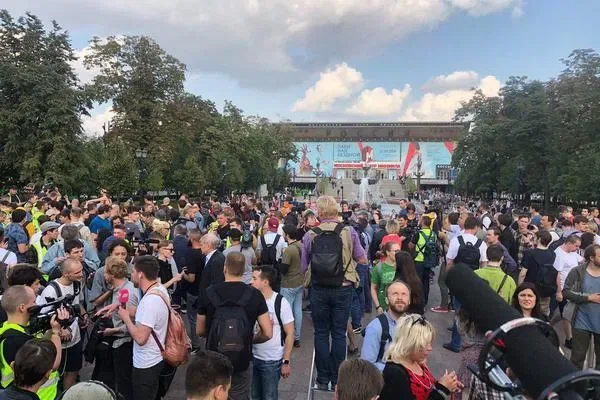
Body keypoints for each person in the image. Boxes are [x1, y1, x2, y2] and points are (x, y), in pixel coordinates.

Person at [300, 196, 368, 391]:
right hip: (343, 287)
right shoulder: (348, 232)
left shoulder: (310, 234)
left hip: (319, 288)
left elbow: (304, 266)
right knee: (339, 333)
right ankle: (337, 377)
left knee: (321, 332)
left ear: (320, 212)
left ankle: (322, 378)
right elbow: (362, 258)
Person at [196, 253, 272, 400]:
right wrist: (251, 339)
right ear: (243, 270)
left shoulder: (209, 293)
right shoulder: (254, 295)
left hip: (214, 360)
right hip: (241, 359)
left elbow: (200, 330)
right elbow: (268, 332)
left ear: (225, 268)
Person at [116, 255, 174, 400]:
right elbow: (146, 315)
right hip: (157, 358)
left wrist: (126, 319)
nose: (131, 275)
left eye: (133, 272)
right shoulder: (159, 289)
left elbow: (141, 338)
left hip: (146, 364)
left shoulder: (150, 301)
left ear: (140, 274)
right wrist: (119, 307)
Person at [0, 285, 65, 400]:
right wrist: (56, 333)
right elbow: (52, 364)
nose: (37, 304)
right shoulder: (18, 341)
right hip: (40, 396)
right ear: (22, 308)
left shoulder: (6, 328)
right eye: (34, 301)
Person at [379, 314, 462, 400]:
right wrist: (442, 390)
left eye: (430, 343)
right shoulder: (395, 374)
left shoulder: (417, 362)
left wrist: (447, 384)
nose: (430, 348)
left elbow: (427, 389)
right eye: (425, 344)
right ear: (410, 343)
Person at [36, 258, 87, 390]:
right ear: (65, 274)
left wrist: (84, 314)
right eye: (77, 272)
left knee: (73, 370)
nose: (81, 274)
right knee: (54, 373)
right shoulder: (51, 291)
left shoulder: (77, 284)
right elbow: (43, 318)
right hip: (57, 342)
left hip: (74, 339)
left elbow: (78, 303)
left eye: (81, 270)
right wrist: (60, 330)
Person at [96, 257, 140, 399]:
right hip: (120, 342)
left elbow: (135, 323)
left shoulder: (127, 292)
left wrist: (114, 330)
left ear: (112, 275)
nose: (104, 275)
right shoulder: (120, 289)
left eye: (105, 272)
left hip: (125, 344)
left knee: (124, 384)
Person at [250, 265, 294, 400]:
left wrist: (286, 361)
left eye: (254, 279)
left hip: (272, 360)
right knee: (253, 396)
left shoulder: (281, 302)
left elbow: (290, 333)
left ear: (265, 282)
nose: (251, 282)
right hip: (252, 357)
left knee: (269, 396)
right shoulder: (251, 300)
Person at [563, 244, 600, 369]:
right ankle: (576, 381)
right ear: (591, 258)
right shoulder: (577, 272)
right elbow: (566, 292)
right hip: (581, 321)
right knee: (577, 358)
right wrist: (588, 298)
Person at [361, 280, 410, 371]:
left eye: (404, 294)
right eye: (395, 294)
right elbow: (366, 365)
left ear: (409, 300)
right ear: (386, 300)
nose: (400, 298)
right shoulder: (375, 328)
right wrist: (396, 370)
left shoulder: (413, 325)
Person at [554, 234, 583, 350]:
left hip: (574, 289)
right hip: (564, 289)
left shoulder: (572, 252)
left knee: (572, 314)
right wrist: (559, 291)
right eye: (576, 246)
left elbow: (582, 260)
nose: (577, 248)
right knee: (567, 315)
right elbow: (557, 275)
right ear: (569, 243)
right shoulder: (559, 255)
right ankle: (569, 339)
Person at [519, 229, 556, 316]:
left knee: (528, 312)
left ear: (539, 239)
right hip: (546, 289)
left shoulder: (530, 253)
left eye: (535, 237)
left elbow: (523, 274)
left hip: (530, 288)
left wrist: (520, 287)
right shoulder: (553, 254)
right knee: (543, 312)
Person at [279, 224, 304, 348]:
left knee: (286, 312)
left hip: (288, 283)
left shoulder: (289, 250)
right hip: (300, 281)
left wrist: (279, 260)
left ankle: (288, 336)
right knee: (297, 310)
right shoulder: (301, 246)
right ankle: (297, 337)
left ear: (287, 235)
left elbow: (283, 269)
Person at [181, 229, 205, 350]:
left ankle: (196, 345)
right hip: (204, 290)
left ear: (191, 239)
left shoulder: (191, 254)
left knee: (193, 319)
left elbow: (191, 278)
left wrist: (182, 275)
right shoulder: (205, 252)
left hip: (193, 291)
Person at [370, 242, 401, 314]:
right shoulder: (379, 268)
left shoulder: (402, 266)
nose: (398, 254)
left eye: (399, 251)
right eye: (396, 251)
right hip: (384, 308)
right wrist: (378, 306)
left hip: (400, 307)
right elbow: (373, 288)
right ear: (388, 252)